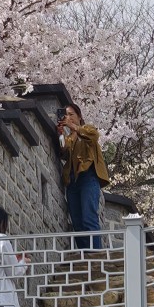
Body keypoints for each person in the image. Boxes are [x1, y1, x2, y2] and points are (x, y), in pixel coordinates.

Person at [57, 103, 110, 250]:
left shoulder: (87, 129)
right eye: (65, 115)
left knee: (89, 218)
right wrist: (61, 133)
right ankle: (84, 256)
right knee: (77, 222)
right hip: (73, 180)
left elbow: (93, 137)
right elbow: (64, 152)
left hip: (88, 177)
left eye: (71, 114)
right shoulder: (70, 138)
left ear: (79, 116)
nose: (68, 118)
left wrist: (73, 127)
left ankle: (96, 256)